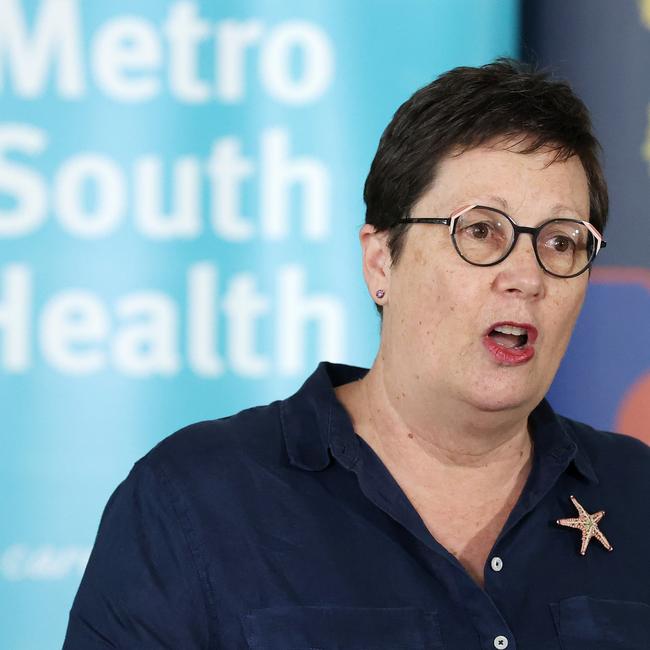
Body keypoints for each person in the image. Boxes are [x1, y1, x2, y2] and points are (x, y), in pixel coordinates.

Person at [63, 59, 650, 649]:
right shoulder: (193, 501)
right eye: (480, 232)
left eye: (561, 241)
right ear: (380, 263)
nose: (526, 276)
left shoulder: (638, 496)